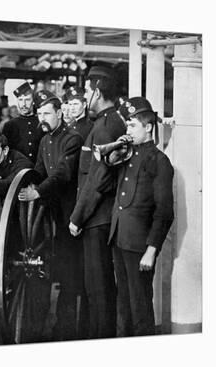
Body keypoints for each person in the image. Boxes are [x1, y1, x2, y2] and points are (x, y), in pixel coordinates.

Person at [97, 97, 174, 336]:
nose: (127, 131)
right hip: (119, 238)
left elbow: (164, 211)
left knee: (140, 307)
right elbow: (102, 187)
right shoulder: (126, 156)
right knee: (124, 305)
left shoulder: (160, 161)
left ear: (148, 127)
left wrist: (152, 249)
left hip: (139, 245)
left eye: (132, 126)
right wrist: (110, 161)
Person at [17, 90, 84, 341]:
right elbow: (39, 170)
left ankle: (65, 329)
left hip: (70, 213)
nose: (41, 118)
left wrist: (38, 192)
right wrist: (28, 185)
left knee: (69, 273)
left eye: (46, 113)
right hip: (48, 215)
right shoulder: (45, 141)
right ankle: (40, 323)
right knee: (47, 267)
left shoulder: (72, 139)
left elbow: (63, 175)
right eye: (39, 114)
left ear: (59, 114)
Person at [68, 66, 126, 339]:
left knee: (98, 290)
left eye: (88, 91)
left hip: (96, 219)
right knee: (99, 289)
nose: (85, 97)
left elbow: (97, 179)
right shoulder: (112, 121)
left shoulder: (104, 127)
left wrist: (77, 218)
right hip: (101, 217)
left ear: (98, 92)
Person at [2, 82, 44, 165]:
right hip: (18, 171)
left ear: (33, 101)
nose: (23, 104)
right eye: (20, 100)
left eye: (27, 100)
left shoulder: (42, 122)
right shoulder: (10, 125)